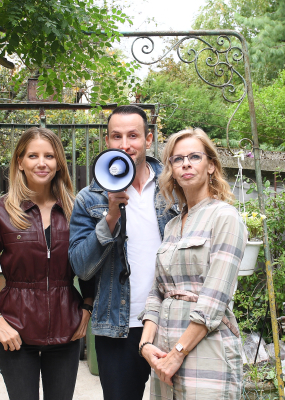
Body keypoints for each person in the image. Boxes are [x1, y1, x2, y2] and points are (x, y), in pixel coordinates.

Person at [0, 127, 93, 400]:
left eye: (49, 156)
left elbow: (90, 266)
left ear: (59, 163)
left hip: (66, 329)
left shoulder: (76, 211)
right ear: (20, 162)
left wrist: (86, 309)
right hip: (15, 331)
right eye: (33, 156)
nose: (42, 163)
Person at [68, 105, 179, 400]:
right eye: (116, 136)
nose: (125, 144)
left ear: (148, 139)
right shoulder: (89, 198)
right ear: (107, 141)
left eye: (133, 135)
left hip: (172, 320)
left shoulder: (174, 187)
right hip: (120, 326)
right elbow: (81, 267)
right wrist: (110, 218)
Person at [138, 127, 247, 400]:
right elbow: (157, 293)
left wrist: (178, 353)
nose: (185, 164)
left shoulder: (225, 217)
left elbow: (214, 298)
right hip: (164, 353)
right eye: (177, 159)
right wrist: (146, 344)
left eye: (195, 157)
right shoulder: (172, 225)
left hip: (206, 351)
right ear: (172, 170)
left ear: (211, 165)